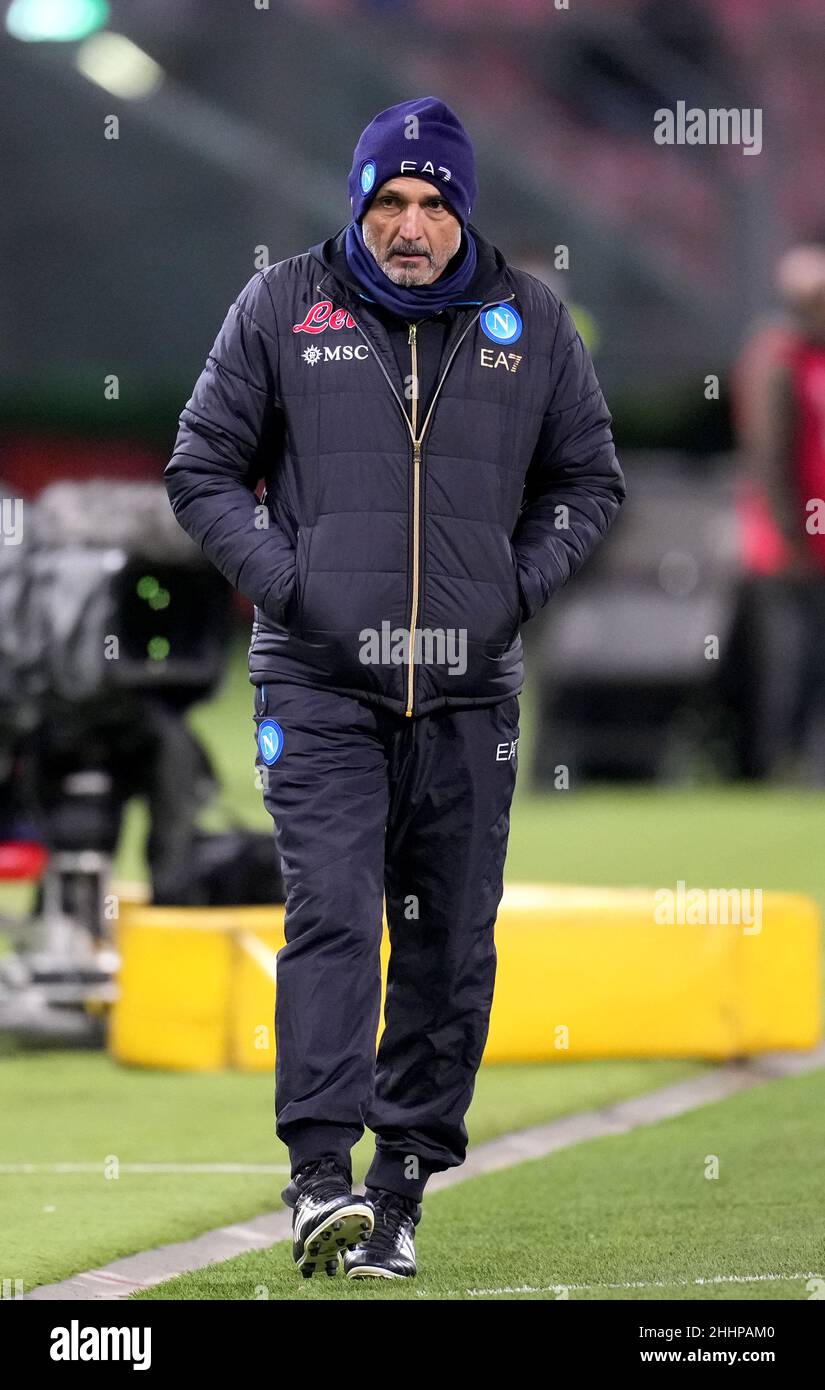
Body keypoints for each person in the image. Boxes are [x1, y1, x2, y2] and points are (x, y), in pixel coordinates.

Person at [164, 97, 625, 1281]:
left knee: (451, 946)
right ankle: (319, 1172)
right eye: (388, 203)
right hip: (318, 685)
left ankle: (401, 1187)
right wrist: (294, 584)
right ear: (358, 205)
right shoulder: (281, 306)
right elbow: (202, 466)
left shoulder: (534, 322)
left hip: (469, 694)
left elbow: (587, 481)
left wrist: (510, 591)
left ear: (461, 210)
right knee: (335, 914)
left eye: (431, 203)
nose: (408, 226)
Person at [733, 243, 825, 780]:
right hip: (786, 546)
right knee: (787, 662)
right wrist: (789, 531)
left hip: (813, 542)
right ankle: (773, 767)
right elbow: (767, 451)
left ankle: (808, 765)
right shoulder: (778, 357)